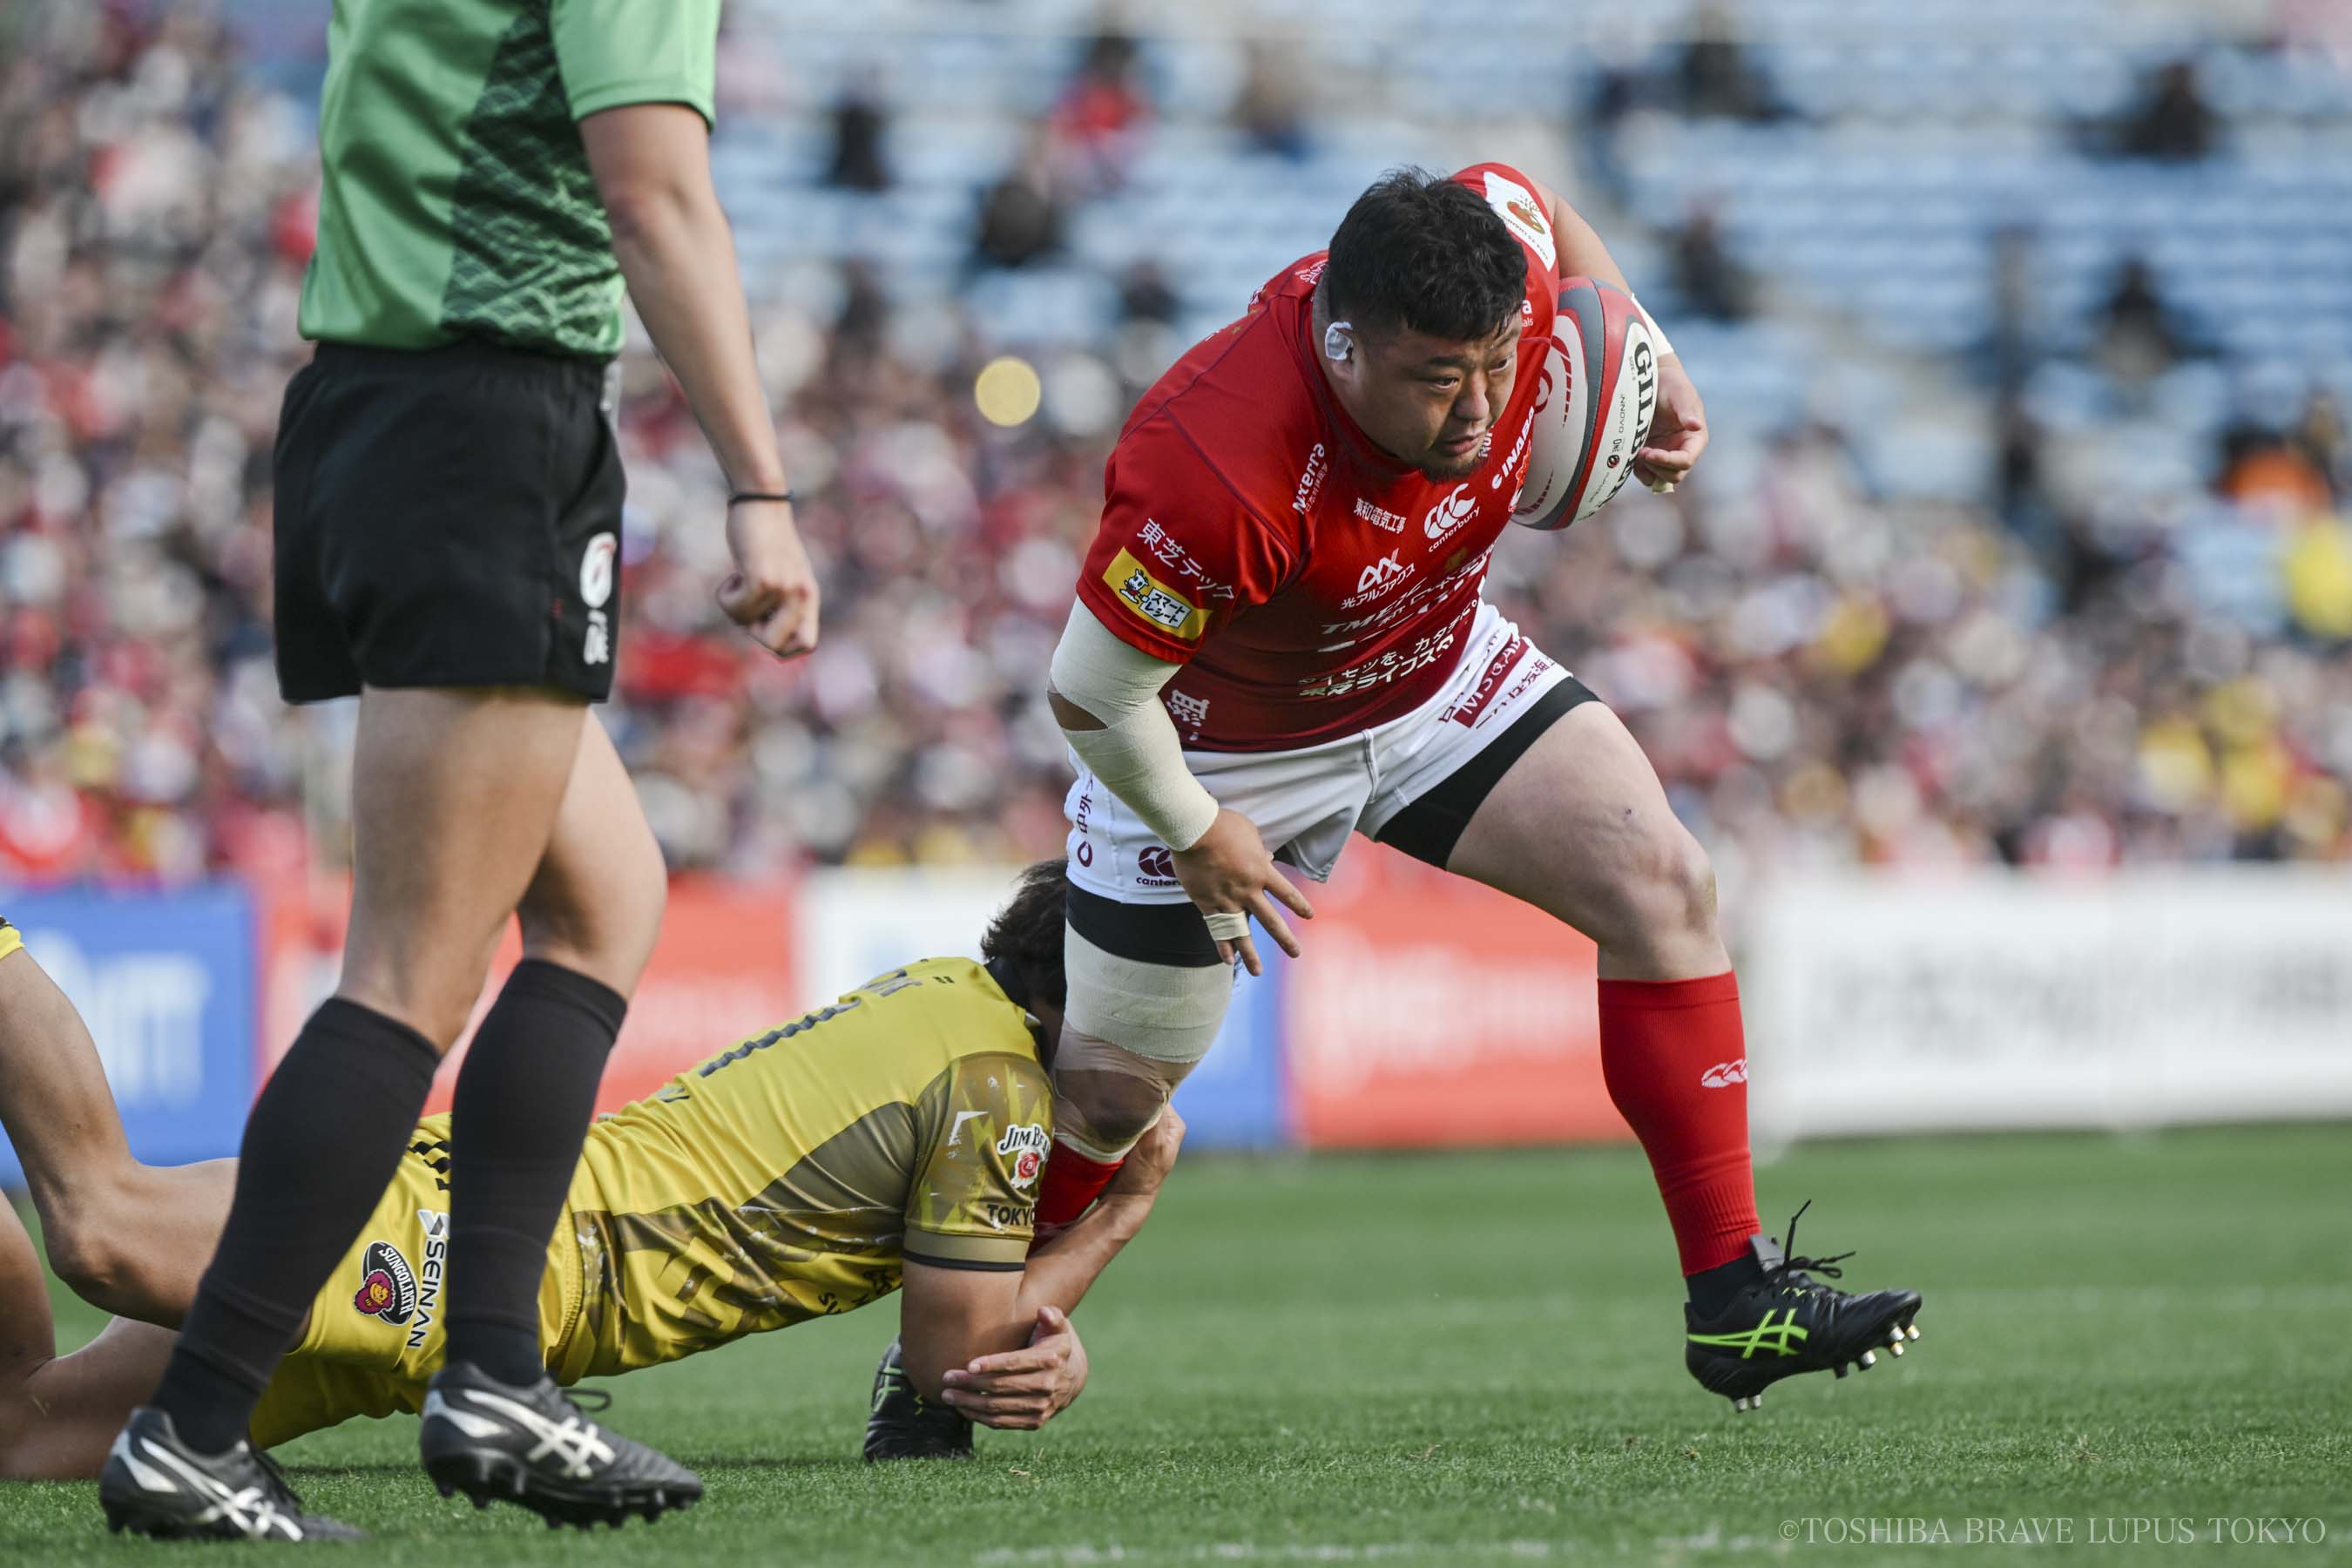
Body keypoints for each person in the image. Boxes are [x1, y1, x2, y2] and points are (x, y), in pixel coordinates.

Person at [1007, 163, 1921, 1416]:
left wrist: (1649, 353)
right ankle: (952, 1350)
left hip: (1433, 673)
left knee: (1665, 884)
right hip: (1221, 750)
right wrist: (1197, 826)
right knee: (1109, 1102)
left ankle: (1734, 1298)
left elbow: (1537, 196)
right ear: (1342, 348)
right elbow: (1089, 694)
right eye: (1440, 378)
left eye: (1498, 365)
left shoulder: (1503, 269)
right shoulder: (1213, 463)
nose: (1484, 409)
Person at [101, 0, 824, 1541]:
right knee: (409, 978)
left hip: (380, 406)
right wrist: (761, 485)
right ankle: (193, 1427)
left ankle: (493, 1371)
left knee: (606, 897)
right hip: (487, 420)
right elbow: (651, 192)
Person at [0, 864, 1170, 1503]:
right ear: (1082, 991)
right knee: (106, 1228)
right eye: (1158, 1010)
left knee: (21, 1433)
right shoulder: (997, 1081)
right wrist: (1119, 1214)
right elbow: (955, 1357)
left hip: (475, 1265)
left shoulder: (949, 996)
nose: (1169, 1051)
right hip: (490, 1262)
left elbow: (946, 1337)